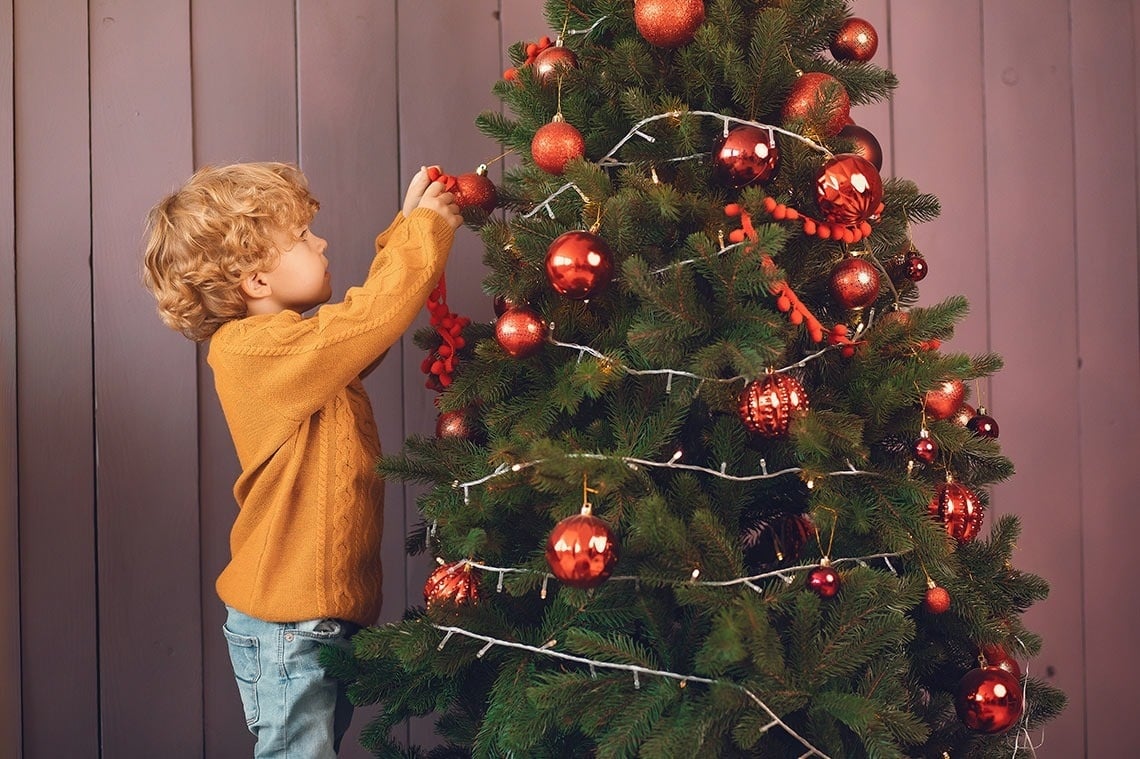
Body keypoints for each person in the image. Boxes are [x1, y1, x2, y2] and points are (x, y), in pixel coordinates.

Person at [141, 161, 462, 757]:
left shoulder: (297, 350)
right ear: (256, 279)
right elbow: (366, 321)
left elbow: (359, 331)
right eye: (302, 237)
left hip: (312, 616)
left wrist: (408, 225)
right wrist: (420, 232)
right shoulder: (251, 352)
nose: (322, 241)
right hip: (289, 621)